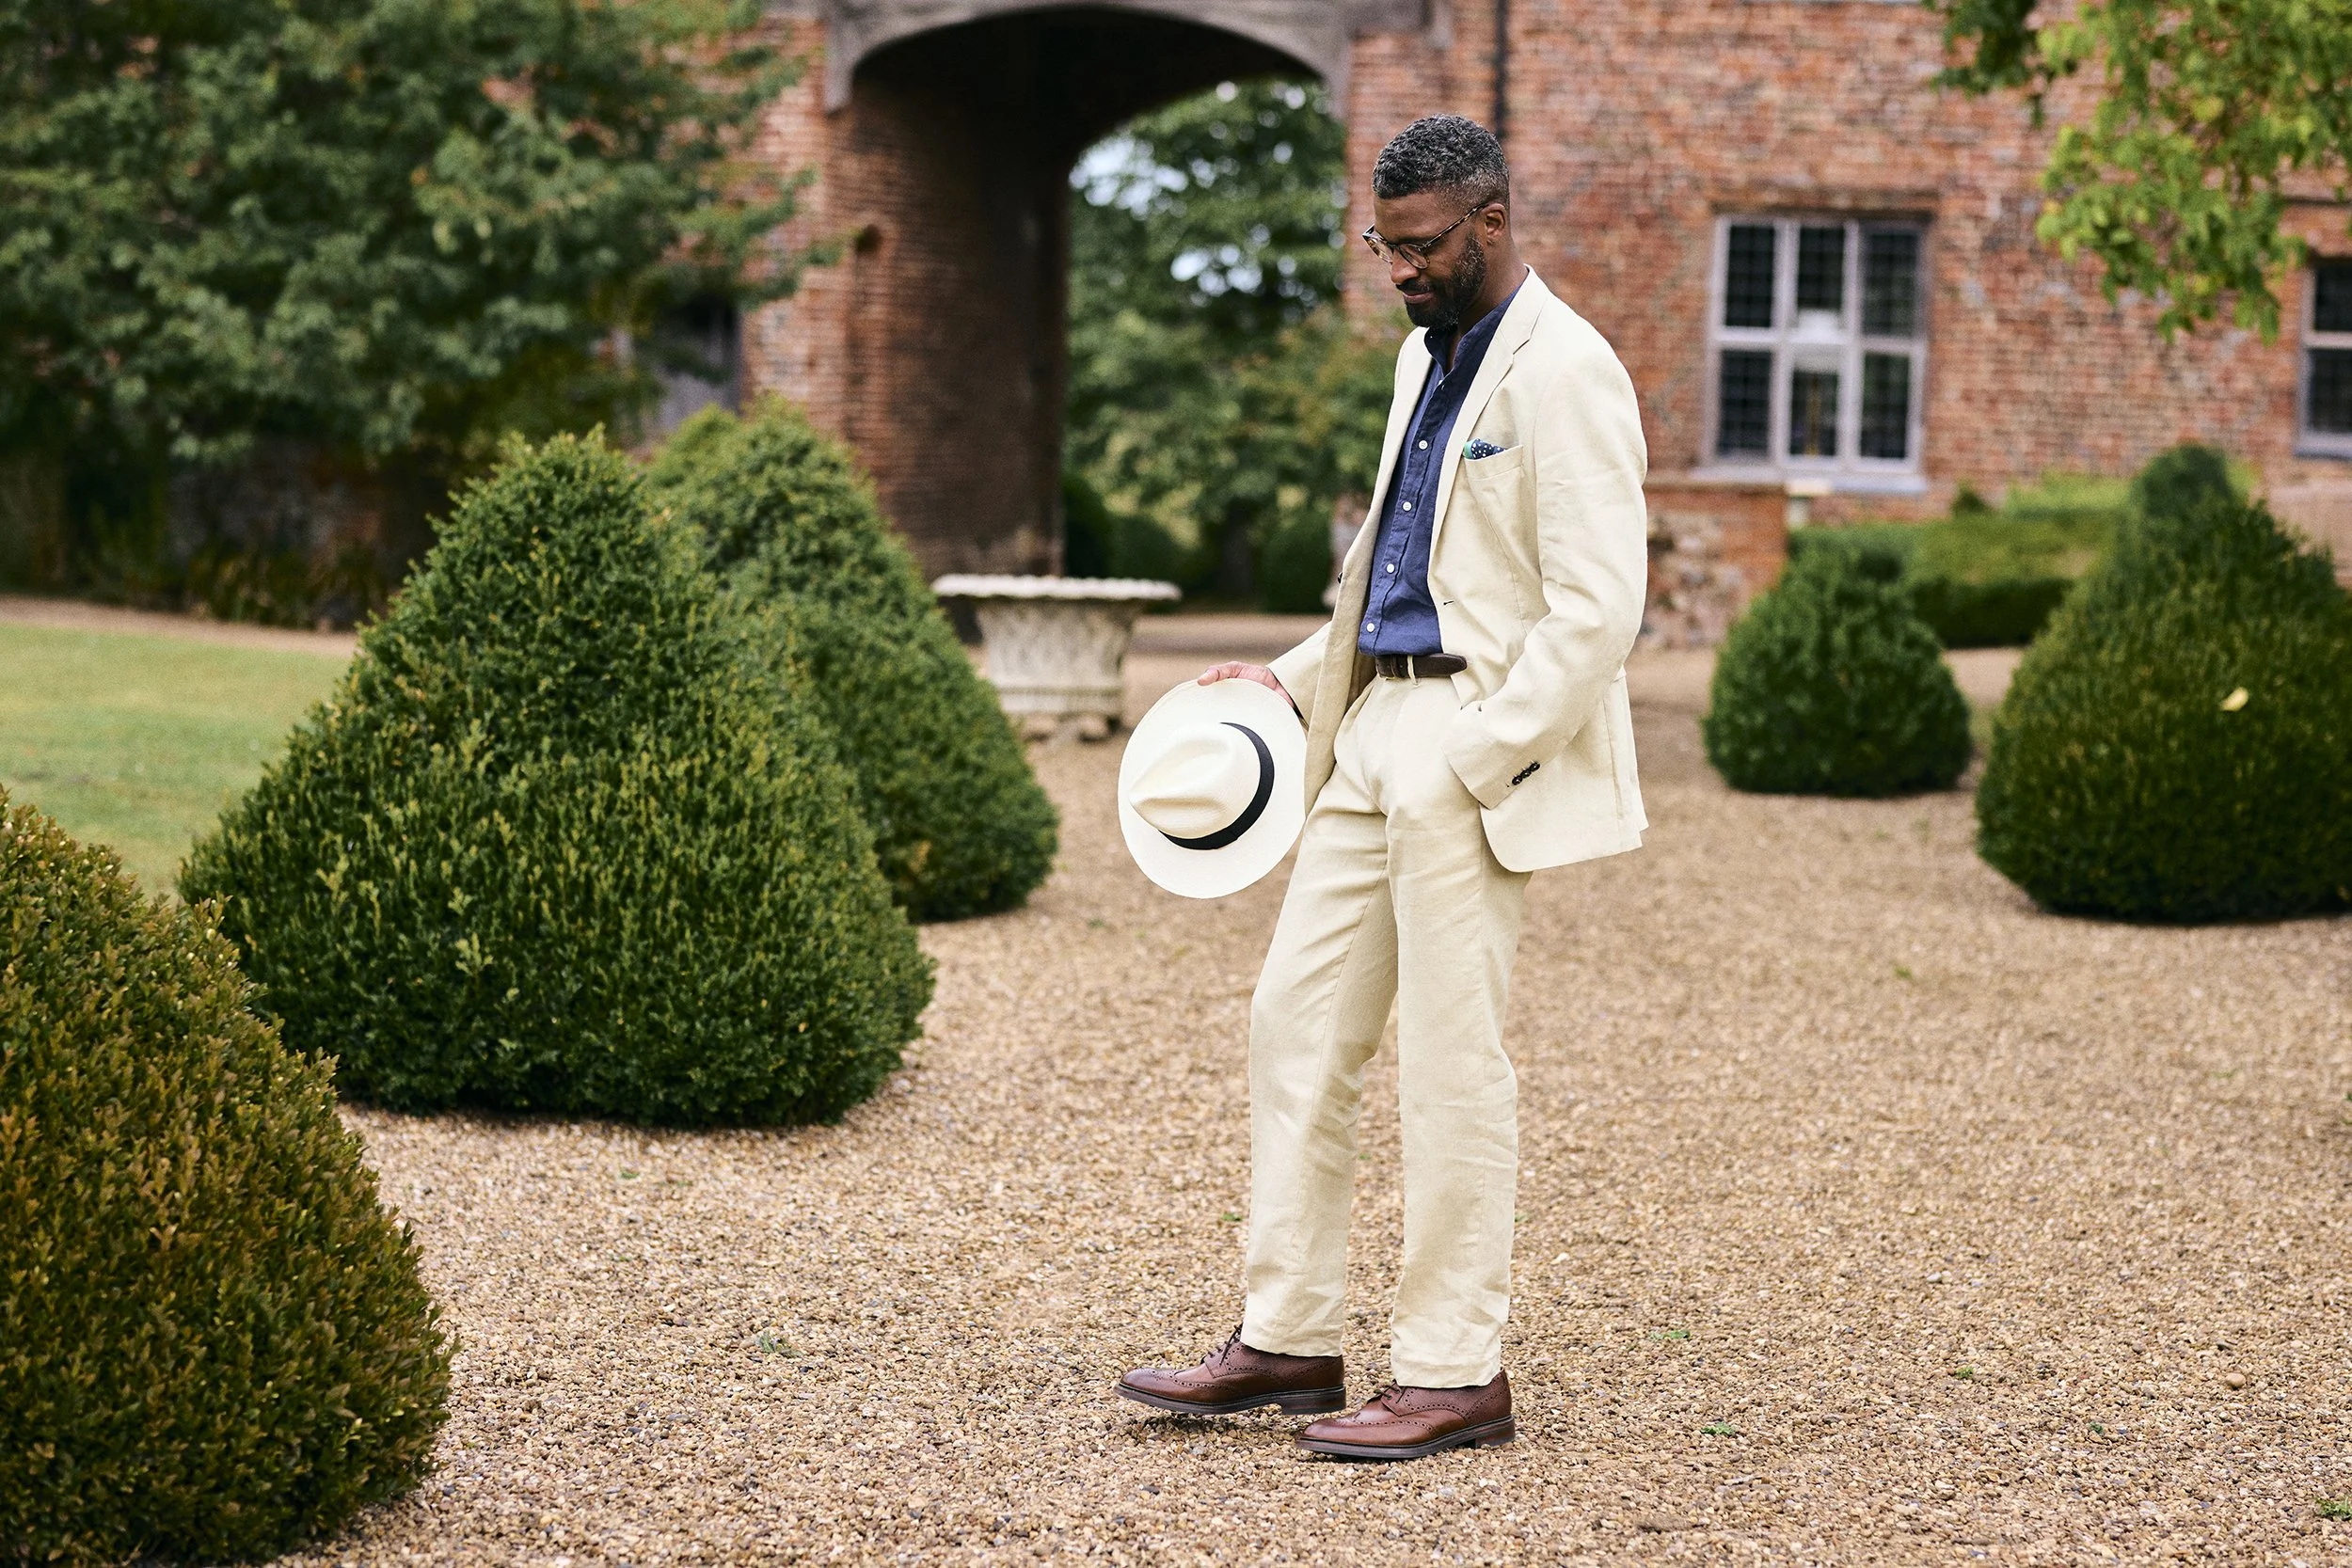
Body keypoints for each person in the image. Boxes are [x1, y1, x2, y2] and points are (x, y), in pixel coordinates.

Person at [1117, 114, 1650, 1461]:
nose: (1401, 272)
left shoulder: (1567, 367)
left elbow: (1597, 612)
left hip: (1467, 750)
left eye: (1420, 248)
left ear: (1492, 216)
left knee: (1453, 1063)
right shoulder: (1425, 363)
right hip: (1363, 739)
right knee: (1292, 1024)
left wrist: (1479, 756)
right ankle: (1289, 1334)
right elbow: (1388, 578)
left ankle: (1455, 1369)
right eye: (1384, 246)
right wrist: (1291, 680)